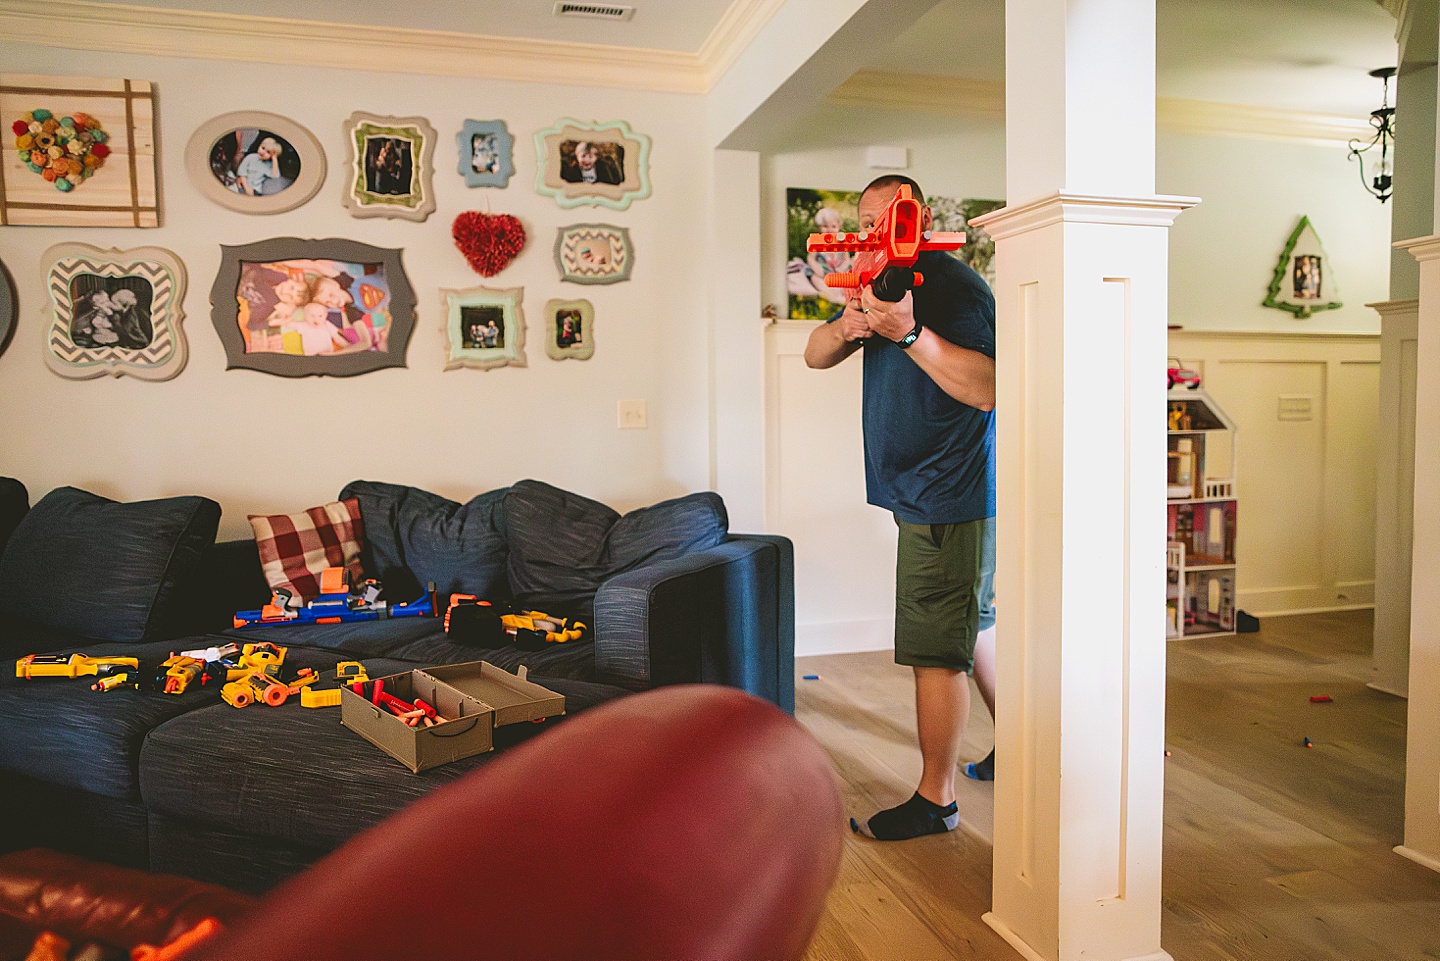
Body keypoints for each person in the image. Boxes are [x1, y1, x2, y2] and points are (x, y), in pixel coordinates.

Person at [804, 174, 998, 841]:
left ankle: (936, 798)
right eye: (867, 218)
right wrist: (850, 324)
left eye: (892, 217)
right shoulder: (870, 278)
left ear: (917, 217)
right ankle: (1027, 747)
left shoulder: (956, 288)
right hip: (918, 488)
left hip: (950, 492)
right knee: (971, 624)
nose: (878, 230)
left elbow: (986, 389)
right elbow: (814, 355)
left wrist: (911, 334)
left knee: (934, 646)